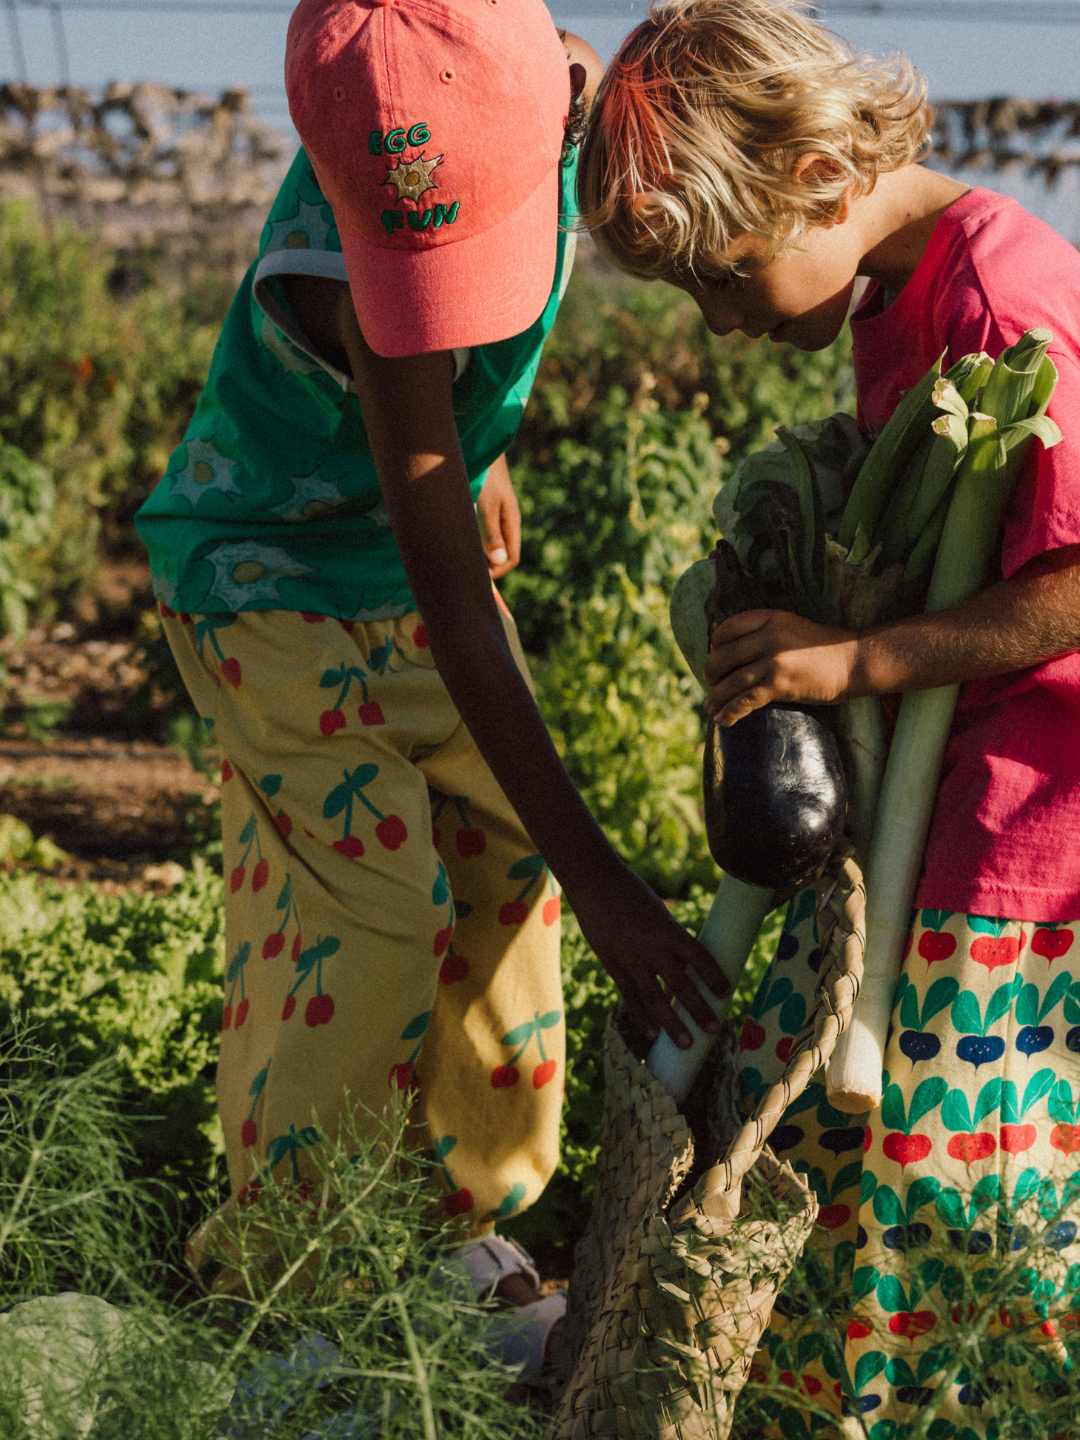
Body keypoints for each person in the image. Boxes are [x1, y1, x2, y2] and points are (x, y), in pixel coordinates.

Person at [135, 0, 728, 1378]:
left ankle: (459, 1221)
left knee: (498, 855)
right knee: (375, 912)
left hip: (396, 552)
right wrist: (612, 887)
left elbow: (447, 405)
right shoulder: (370, 244)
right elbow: (461, 610)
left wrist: (474, 452)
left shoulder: (571, 94)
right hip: (266, 573)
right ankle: (298, 1276)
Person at [579, 0, 1080, 1430]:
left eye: (727, 278)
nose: (726, 323)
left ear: (815, 176)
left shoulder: (1001, 297)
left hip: (1023, 826)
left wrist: (856, 666)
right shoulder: (899, 297)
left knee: (963, 1182)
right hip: (935, 822)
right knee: (868, 1168)